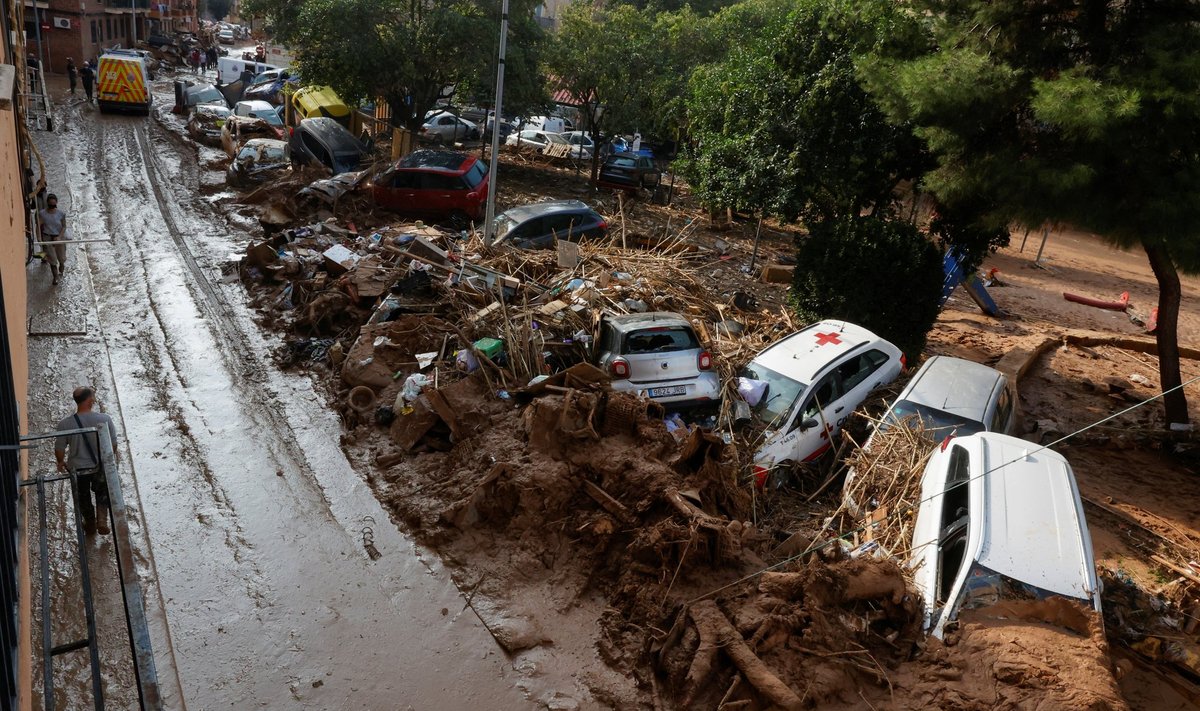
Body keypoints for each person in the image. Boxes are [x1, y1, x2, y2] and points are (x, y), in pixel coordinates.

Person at [54, 387, 120, 537]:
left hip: (78, 469)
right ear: (90, 401)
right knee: (102, 492)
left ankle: (89, 524)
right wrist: (107, 460)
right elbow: (113, 444)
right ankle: (102, 519)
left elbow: (59, 448)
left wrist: (60, 461)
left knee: (83, 497)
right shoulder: (105, 419)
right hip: (98, 466)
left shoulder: (64, 424)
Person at [38, 194, 68, 285]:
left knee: (61, 258)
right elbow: (38, 226)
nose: (52, 206)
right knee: (52, 259)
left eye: (54, 204)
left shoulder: (61, 214)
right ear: (47, 203)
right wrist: (39, 237)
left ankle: (62, 265)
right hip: (48, 237)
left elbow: (64, 226)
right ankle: (55, 277)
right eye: (50, 204)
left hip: (59, 237)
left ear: (56, 203)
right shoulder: (42, 213)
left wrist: (59, 236)